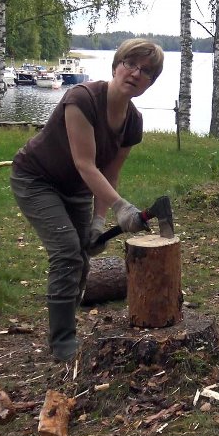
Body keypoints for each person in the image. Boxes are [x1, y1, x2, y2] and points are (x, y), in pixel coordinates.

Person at [9, 39, 164, 361]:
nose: (136, 73)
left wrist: (98, 221)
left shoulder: (133, 122)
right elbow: (85, 163)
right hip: (37, 178)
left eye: (146, 71)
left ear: (150, 83)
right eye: (130, 64)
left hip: (79, 188)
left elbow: (109, 173)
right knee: (67, 252)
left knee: (82, 255)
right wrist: (122, 208)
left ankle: (67, 319)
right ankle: (63, 342)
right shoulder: (81, 98)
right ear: (116, 65)